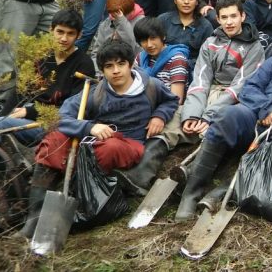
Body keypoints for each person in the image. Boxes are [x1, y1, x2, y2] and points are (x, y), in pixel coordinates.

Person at [174, 21, 272, 221]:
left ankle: (223, 192)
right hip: (256, 111)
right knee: (228, 116)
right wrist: (266, 109)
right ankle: (191, 193)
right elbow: (250, 88)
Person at [19, 40, 178, 238]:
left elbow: (171, 100)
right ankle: (34, 218)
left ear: (130, 64)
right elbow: (60, 117)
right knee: (55, 139)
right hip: (95, 138)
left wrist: (159, 115)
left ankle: (78, 196)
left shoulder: (150, 86)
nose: (116, 71)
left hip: (127, 143)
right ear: (102, 70)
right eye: (109, 66)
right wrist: (89, 126)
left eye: (121, 64)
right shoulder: (96, 93)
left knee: (109, 148)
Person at [0, 10, 95, 147]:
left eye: (70, 33)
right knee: (0, 123)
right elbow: (20, 91)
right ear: (51, 30)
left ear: (79, 35)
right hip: (29, 117)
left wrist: (27, 112)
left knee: (2, 124)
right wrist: (4, 116)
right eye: (60, 32)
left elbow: (73, 109)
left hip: (58, 125)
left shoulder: (84, 64)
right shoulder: (40, 55)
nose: (64, 38)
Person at [114, 17, 190, 195]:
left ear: (163, 36)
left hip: (170, 107)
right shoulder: (141, 58)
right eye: (143, 40)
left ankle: (138, 178)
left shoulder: (176, 58)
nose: (148, 44)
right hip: (144, 104)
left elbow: (176, 97)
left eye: (153, 38)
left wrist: (158, 114)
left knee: (161, 136)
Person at [181, 0, 264, 135]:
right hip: (210, 91)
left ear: (243, 16)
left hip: (237, 100)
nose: (229, 22)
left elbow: (241, 86)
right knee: (179, 118)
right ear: (218, 19)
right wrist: (192, 114)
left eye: (233, 16)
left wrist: (209, 116)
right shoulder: (210, 43)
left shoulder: (254, 47)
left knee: (210, 131)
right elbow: (201, 80)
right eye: (224, 17)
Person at [157, 0, 215, 70]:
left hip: (193, 70)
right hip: (163, 67)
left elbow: (209, 57)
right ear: (175, 0)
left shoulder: (205, 26)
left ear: (197, 2)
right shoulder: (163, 20)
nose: (186, 2)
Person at [90, 0, 145, 74]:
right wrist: (99, 72)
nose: (116, 16)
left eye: (122, 14)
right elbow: (96, 53)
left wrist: (121, 21)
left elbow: (134, 48)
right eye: (114, 14)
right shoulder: (106, 24)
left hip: (134, 70)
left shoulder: (141, 22)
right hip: (107, 71)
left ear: (132, 10)